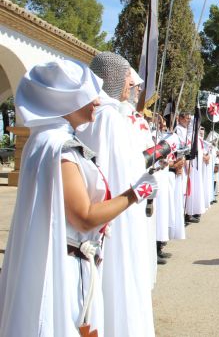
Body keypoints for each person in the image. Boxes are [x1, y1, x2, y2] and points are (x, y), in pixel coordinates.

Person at [0, 60, 157, 336]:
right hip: (67, 267)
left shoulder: (43, 141)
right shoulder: (61, 150)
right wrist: (137, 192)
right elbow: (84, 218)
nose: (97, 102)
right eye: (89, 96)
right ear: (67, 101)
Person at [76, 52, 156, 337]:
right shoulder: (109, 118)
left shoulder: (91, 114)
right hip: (116, 216)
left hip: (99, 214)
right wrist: (147, 184)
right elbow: (127, 177)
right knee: (118, 279)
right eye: (126, 77)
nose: (130, 84)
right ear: (110, 78)